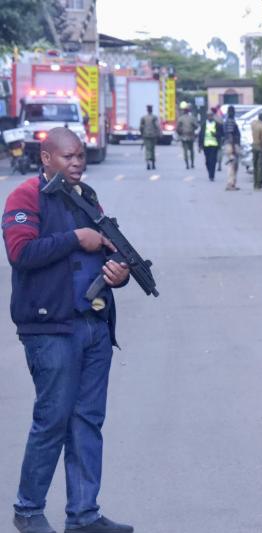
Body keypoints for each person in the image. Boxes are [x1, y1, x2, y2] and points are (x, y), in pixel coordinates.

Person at [3, 127, 134, 533]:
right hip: (50, 328)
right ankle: (28, 510)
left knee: (87, 421)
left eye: (81, 156)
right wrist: (76, 238)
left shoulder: (87, 198)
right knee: (53, 420)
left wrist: (120, 274)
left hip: (93, 327)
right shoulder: (26, 196)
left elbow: (110, 254)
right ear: (46, 158)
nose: (78, 162)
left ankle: (83, 515)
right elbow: (21, 252)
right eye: (68, 156)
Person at [198, 109, 223, 182]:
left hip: (214, 145)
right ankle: (209, 172)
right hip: (206, 145)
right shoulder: (204, 125)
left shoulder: (217, 124)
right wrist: (199, 145)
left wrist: (215, 134)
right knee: (207, 161)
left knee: (213, 160)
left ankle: (212, 175)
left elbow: (222, 134)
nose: (210, 117)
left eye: (211, 116)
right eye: (208, 116)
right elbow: (201, 135)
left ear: (213, 116)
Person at [222, 106, 241, 191]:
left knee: (234, 165)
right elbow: (230, 135)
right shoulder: (230, 121)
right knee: (232, 165)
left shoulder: (228, 121)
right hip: (231, 145)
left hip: (230, 144)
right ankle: (230, 183)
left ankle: (233, 183)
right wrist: (233, 148)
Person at [176, 104, 198, 170]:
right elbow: (196, 126)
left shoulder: (180, 118)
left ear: (183, 111)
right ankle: (192, 163)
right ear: (189, 111)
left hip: (183, 136)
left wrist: (180, 134)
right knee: (191, 151)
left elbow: (177, 128)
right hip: (191, 136)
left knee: (185, 151)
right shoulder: (192, 118)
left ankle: (187, 164)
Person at [139, 105, 160, 170]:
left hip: (146, 135)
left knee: (147, 149)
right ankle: (153, 164)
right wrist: (159, 133)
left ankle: (148, 162)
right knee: (152, 149)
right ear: (152, 110)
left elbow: (141, 127)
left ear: (147, 110)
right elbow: (157, 126)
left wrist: (142, 134)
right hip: (153, 135)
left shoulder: (143, 118)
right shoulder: (154, 117)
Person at [251, 112, 262, 190]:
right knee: (260, 166)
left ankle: (255, 183)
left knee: (254, 165)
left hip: (254, 145)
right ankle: (258, 184)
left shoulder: (253, 124)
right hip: (260, 147)